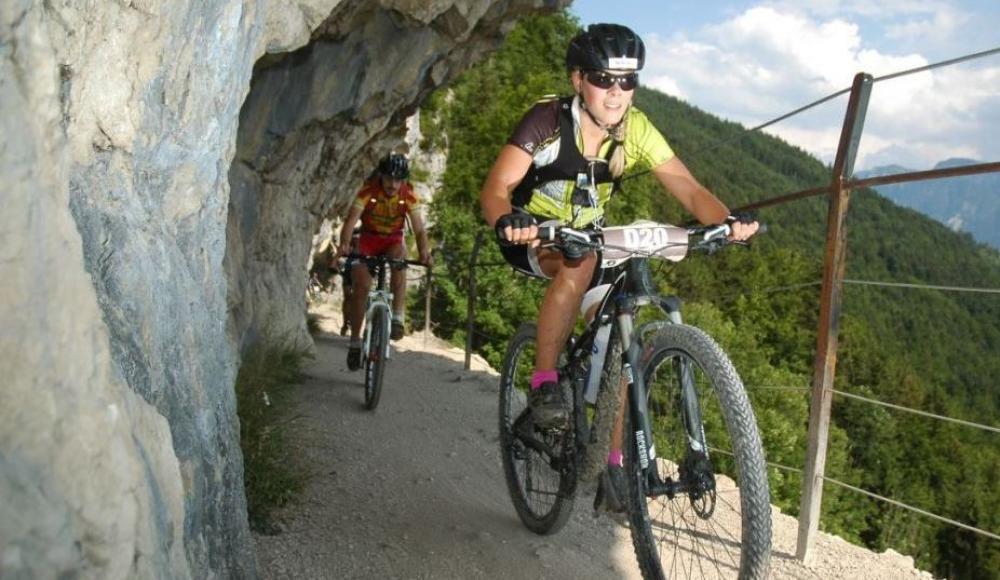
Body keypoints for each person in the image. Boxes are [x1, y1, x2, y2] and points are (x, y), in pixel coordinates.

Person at [478, 23, 759, 512]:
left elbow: (690, 191)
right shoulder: (545, 121)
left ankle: (614, 464)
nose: (616, 92)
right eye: (604, 79)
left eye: (628, 82)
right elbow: (495, 189)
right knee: (579, 260)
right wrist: (509, 219)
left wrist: (727, 221)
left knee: (619, 338)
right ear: (577, 80)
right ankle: (545, 385)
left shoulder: (636, 129)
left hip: (589, 239)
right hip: (532, 236)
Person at [336, 152, 432, 371]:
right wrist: (344, 243)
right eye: (389, 178)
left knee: (399, 261)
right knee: (361, 287)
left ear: (404, 180)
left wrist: (425, 251)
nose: (393, 184)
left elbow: (418, 229)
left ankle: (397, 317)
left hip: (392, 241)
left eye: (398, 180)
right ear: (381, 176)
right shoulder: (367, 192)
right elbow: (351, 221)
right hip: (368, 239)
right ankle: (355, 343)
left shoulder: (409, 196)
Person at [332, 230, 361, 336]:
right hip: (350, 267)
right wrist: (335, 261)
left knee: (358, 298)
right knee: (348, 296)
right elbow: (344, 247)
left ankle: (355, 326)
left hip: (364, 267)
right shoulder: (355, 232)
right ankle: (346, 324)